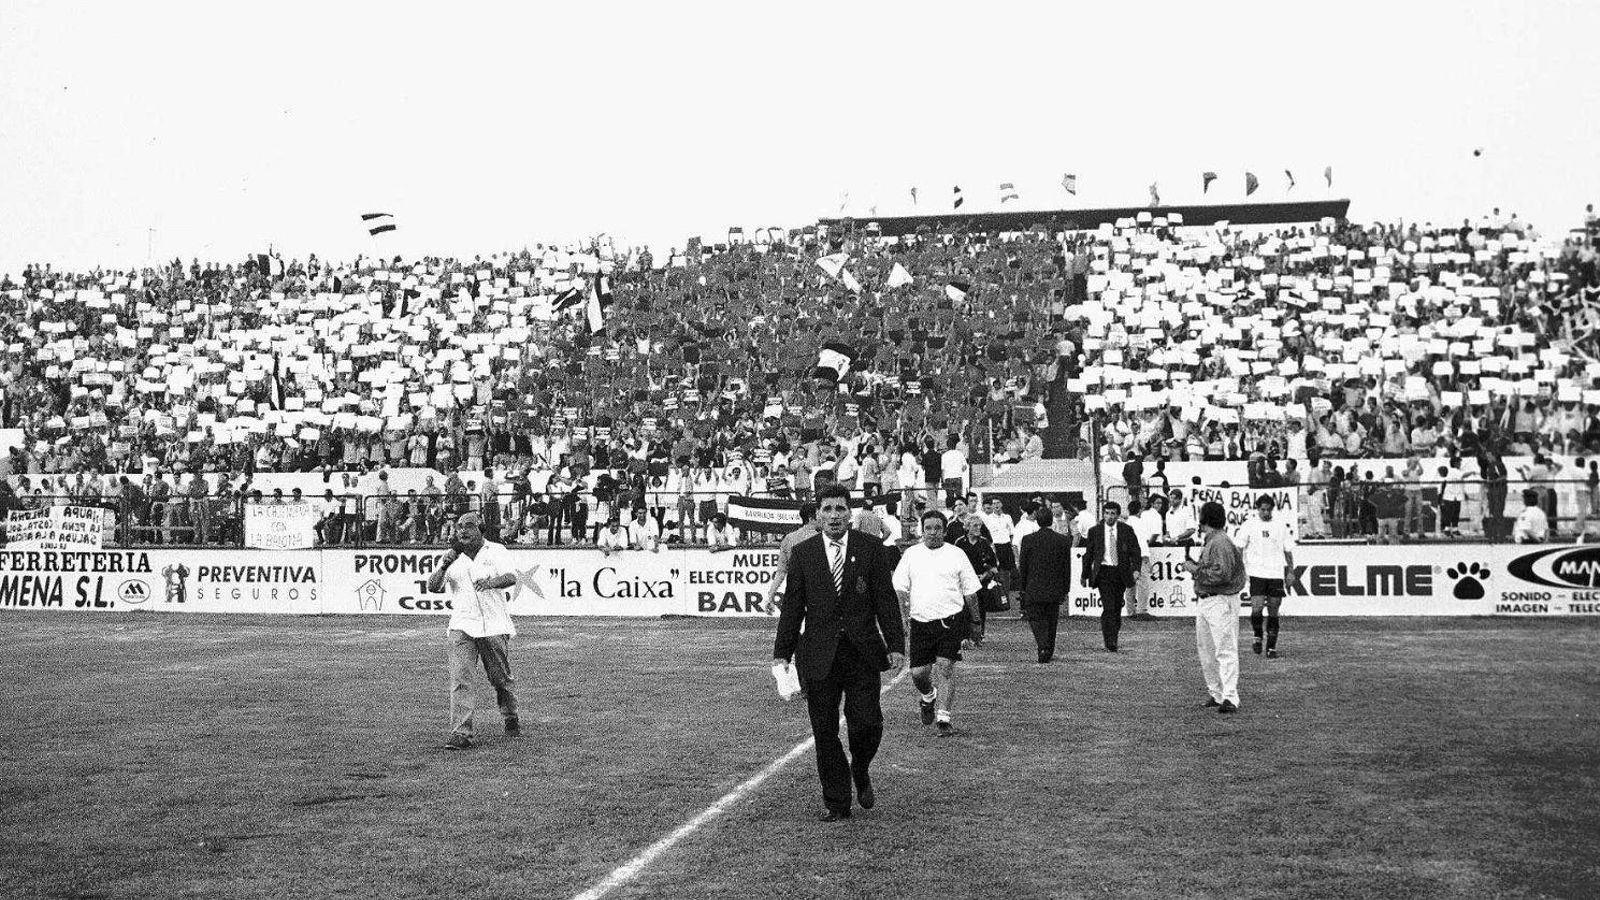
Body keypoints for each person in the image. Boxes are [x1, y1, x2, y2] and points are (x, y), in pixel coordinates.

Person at [772, 484, 906, 823]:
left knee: (867, 723)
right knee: (825, 729)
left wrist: (895, 645)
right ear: (818, 514)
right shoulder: (803, 553)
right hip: (818, 656)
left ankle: (859, 767)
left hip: (862, 653)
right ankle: (837, 802)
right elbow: (792, 609)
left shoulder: (871, 548)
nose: (834, 515)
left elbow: (885, 601)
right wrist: (781, 653)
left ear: (851, 513)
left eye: (840, 508)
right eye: (828, 509)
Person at [425, 513, 521, 749]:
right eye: (459, 527)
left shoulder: (496, 550)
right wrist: (444, 564)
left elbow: (511, 577)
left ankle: (510, 715)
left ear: (481, 529)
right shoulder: (452, 557)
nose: (462, 531)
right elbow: (433, 586)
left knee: (500, 679)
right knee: (461, 679)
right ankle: (461, 733)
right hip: (461, 625)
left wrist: (491, 583)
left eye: (468, 526)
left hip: (493, 624)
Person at [893, 509, 984, 737]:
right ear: (922, 531)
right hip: (920, 623)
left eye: (937, 528)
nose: (933, 533)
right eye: (928, 528)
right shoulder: (912, 554)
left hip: (949, 622)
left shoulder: (957, 554)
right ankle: (928, 697)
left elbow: (971, 592)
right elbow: (900, 588)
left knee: (945, 666)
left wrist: (975, 623)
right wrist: (904, 617)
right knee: (918, 673)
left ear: (945, 531)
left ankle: (944, 717)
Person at [1183, 501, 1246, 714]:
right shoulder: (1215, 541)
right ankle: (1217, 693)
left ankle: (1230, 696)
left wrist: (1194, 570)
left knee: (1224, 648)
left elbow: (1222, 574)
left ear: (1205, 520)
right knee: (1207, 649)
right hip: (1208, 599)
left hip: (1220, 599)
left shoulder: (1219, 542)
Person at [1235, 495, 1296, 659]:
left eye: (1268, 509)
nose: (1266, 512)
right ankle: (1257, 635)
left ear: (1272, 509)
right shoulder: (1249, 525)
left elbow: (1288, 550)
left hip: (1276, 572)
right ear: (1258, 509)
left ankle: (1271, 647)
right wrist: (1240, 569)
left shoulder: (1280, 526)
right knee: (1257, 607)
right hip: (1257, 572)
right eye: (1263, 509)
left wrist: (1290, 571)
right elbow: (1239, 548)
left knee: (1274, 609)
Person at [1079, 500, 1142, 652]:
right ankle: (1110, 640)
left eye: (1113, 514)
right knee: (1108, 607)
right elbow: (1089, 554)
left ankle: (1113, 634)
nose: (1109, 517)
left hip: (1120, 572)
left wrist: (1136, 569)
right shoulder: (1095, 531)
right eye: (1107, 513)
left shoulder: (1126, 530)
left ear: (1118, 515)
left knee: (1116, 607)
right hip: (1104, 572)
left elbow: (1136, 551)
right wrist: (1085, 574)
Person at [1015, 506, 1073, 662]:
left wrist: (1022, 587)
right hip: (1055, 587)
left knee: (1035, 618)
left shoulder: (1028, 540)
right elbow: (1066, 567)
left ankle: (1042, 645)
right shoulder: (1062, 540)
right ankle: (1048, 648)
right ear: (1051, 520)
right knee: (1051, 619)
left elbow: (1023, 566)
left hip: (1033, 586)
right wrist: (1065, 588)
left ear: (1037, 521)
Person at [766, 502, 819, 612]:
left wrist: (770, 595)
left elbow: (781, 572)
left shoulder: (789, 539)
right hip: (817, 593)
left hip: (795, 593)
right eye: (820, 516)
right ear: (811, 519)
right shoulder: (822, 539)